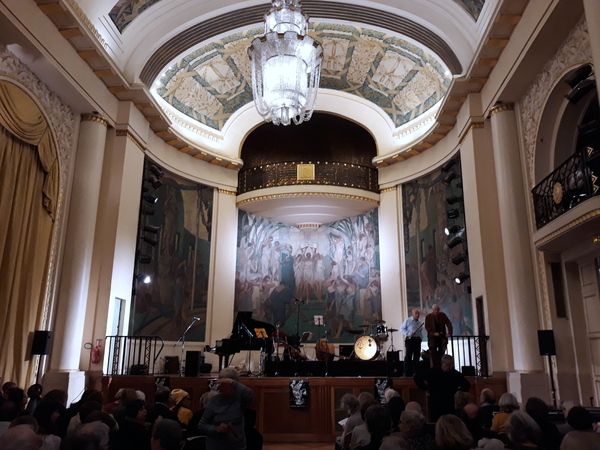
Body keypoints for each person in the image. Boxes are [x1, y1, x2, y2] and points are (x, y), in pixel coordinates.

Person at [198, 367, 254, 450]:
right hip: (216, 447)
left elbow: (250, 394)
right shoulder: (215, 400)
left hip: (237, 447)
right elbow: (201, 426)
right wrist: (216, 429)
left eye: (224, 383)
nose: (220, 386)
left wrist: (233, 383)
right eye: (220, 383)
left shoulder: (240, 399)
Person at [413, 354, 471, 421]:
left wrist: (458, 391)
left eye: (452, 365)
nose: (450, 367)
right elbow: (417, 378)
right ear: (442, 363)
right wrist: (426, 388)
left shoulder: (455, 374)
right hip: (435, 403)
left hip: (450, 403)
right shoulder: (433, 372)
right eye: (448, 365)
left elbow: (467, 385)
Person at [424, 304, 452, 368]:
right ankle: (434, 370)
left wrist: (450, 333)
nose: (436, 311)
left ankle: (441, 368)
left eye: (438, 310)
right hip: (432, 339)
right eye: (435, 310)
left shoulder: (443, 315)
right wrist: (433, 333)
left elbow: (449, 323)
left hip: (442, 338)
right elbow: (427, 327)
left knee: (441, 354)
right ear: (432, 310)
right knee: (433, 355)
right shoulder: (428, 317)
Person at [400, 308, 424, 376]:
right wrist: (409, 333)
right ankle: (405, 373)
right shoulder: (408, 320)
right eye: (416, 313)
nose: (417, 315)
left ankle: (415, 373)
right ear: (412, 314)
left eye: (418, 313)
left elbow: (420, 332)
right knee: (408, 357)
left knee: (417, 357)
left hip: (417, 340)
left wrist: (420, 338)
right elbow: (401, 329)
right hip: (410, 340)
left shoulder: (420, 322)